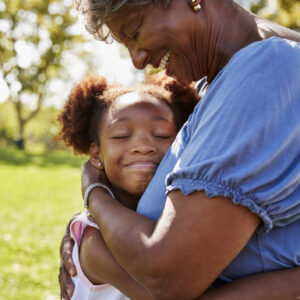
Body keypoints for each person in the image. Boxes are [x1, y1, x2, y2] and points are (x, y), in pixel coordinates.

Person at [59, 0, 300, 299]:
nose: (137, 60)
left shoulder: (265, 72)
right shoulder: (208, 88)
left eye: (134, 32)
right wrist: (86, 229)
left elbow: (168, 277)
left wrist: (93, 192)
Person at [58, 73, 199, 299]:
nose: (143, 146)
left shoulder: (178, 211)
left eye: (161, 134)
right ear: (96, 154)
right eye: (122, 135)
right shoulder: (94, 240)